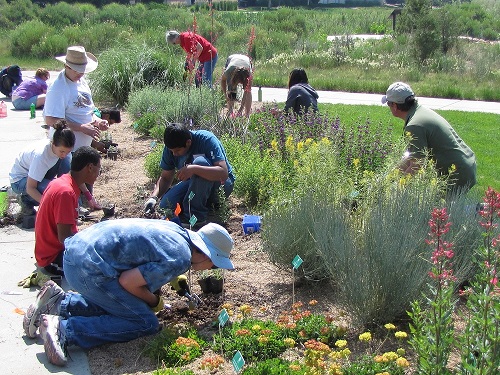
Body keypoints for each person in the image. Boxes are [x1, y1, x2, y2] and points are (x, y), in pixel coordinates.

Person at [23, 219, 235, 366]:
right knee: (144, 321)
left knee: (122, 304)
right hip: (87, 268)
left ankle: (60, 303)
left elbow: (145, 253)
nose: (211, 269)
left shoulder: (177, 232)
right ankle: (65, 329)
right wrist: (154, 301)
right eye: (214, 265)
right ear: (207, 255)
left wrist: (169, 277)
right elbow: (128, 282)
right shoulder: (180, 257)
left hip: (78, 252)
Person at [43, 46, 109, 210]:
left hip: (84, 146)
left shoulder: (82, 82)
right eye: (77, 70)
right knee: (71, 181)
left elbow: (88, 110)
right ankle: (73, 211)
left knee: (85, 177)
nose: (81, 73)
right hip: (67, 146)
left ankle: (85, 205)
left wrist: (97, 121)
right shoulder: (58, 87)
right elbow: (51, 119)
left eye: (83, 70)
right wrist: (81, 127)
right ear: (67, 66)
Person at [382, 81, 477, 195]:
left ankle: (485, 211)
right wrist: (389, 178)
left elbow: (417, 164)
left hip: (457, 173)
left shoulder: (414, 125)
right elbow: (411, 157)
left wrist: (395, 190)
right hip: (464, 165)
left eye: (389, 104)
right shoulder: (419, 112)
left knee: (439, 209)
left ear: (395, 106)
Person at [144, 122, 235, 227]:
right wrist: (153, 198)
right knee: (166, 205)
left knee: (200, 162)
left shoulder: (206, 140)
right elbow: (165, 177)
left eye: (177, 151)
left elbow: (223, 173)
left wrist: (194, 169)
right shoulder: (172, 148)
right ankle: (193, 206)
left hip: (221, 186)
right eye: (171, 151)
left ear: (188, 142)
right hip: (194, 184)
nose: (174, 154)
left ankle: (196, 217)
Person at [34, 146, 101, 277]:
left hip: (51, 251)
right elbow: (64, 238)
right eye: (100, 168)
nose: (99, 173)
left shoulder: (63, 182)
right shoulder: (66, 192)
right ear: (90, 167)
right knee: (102, 268)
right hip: (53, 259)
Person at [9, 120, 75, 216]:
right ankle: (25, 199)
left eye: (68, 152)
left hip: (37, 174)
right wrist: (49, 206)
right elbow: (30, 187)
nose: (64, 155)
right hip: (20, 180)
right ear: (53, 143)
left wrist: (86, 198)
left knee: (61, 188)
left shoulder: (62, 153)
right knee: (53, 192)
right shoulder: (40, 156)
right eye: (62, 151)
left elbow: (70, 179)